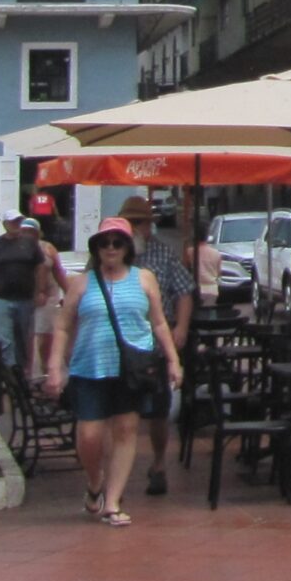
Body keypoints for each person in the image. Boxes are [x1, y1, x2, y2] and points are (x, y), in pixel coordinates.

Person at [41, 218, 181, 527]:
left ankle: (113, 501)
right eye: (104, 243)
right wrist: (54, 366)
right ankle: (95, 482)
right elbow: (63, 325)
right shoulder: (82, 283)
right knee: (89, 435)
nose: (111, 248)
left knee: (125, 430)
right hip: (89, 366)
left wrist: (173, 360)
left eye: (117, 242)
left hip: (132, 369)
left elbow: (158, 322)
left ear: (128, 247)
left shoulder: (145, 279)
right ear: (97, 248)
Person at [119, 195, 195, 498]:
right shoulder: (111, 253)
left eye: (141, 222)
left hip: (154, 345)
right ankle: (117, 474)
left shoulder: (163, 253)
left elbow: (184, 290)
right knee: (121, 412)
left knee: (158, 411)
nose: (136, 228)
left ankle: (159, 464)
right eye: (132, 222)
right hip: (121, 345)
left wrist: (181, 327)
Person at [0, 212, 51, 371]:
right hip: (1, 299)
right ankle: (10, 375)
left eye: (18, 221)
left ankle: (23, 375)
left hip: (25, 299)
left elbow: (40, 268)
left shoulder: (30, 243)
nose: (16, 224)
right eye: (13, 221)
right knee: (4, 341)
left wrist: (41, 291)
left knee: (23, 340)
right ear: (5, 224)